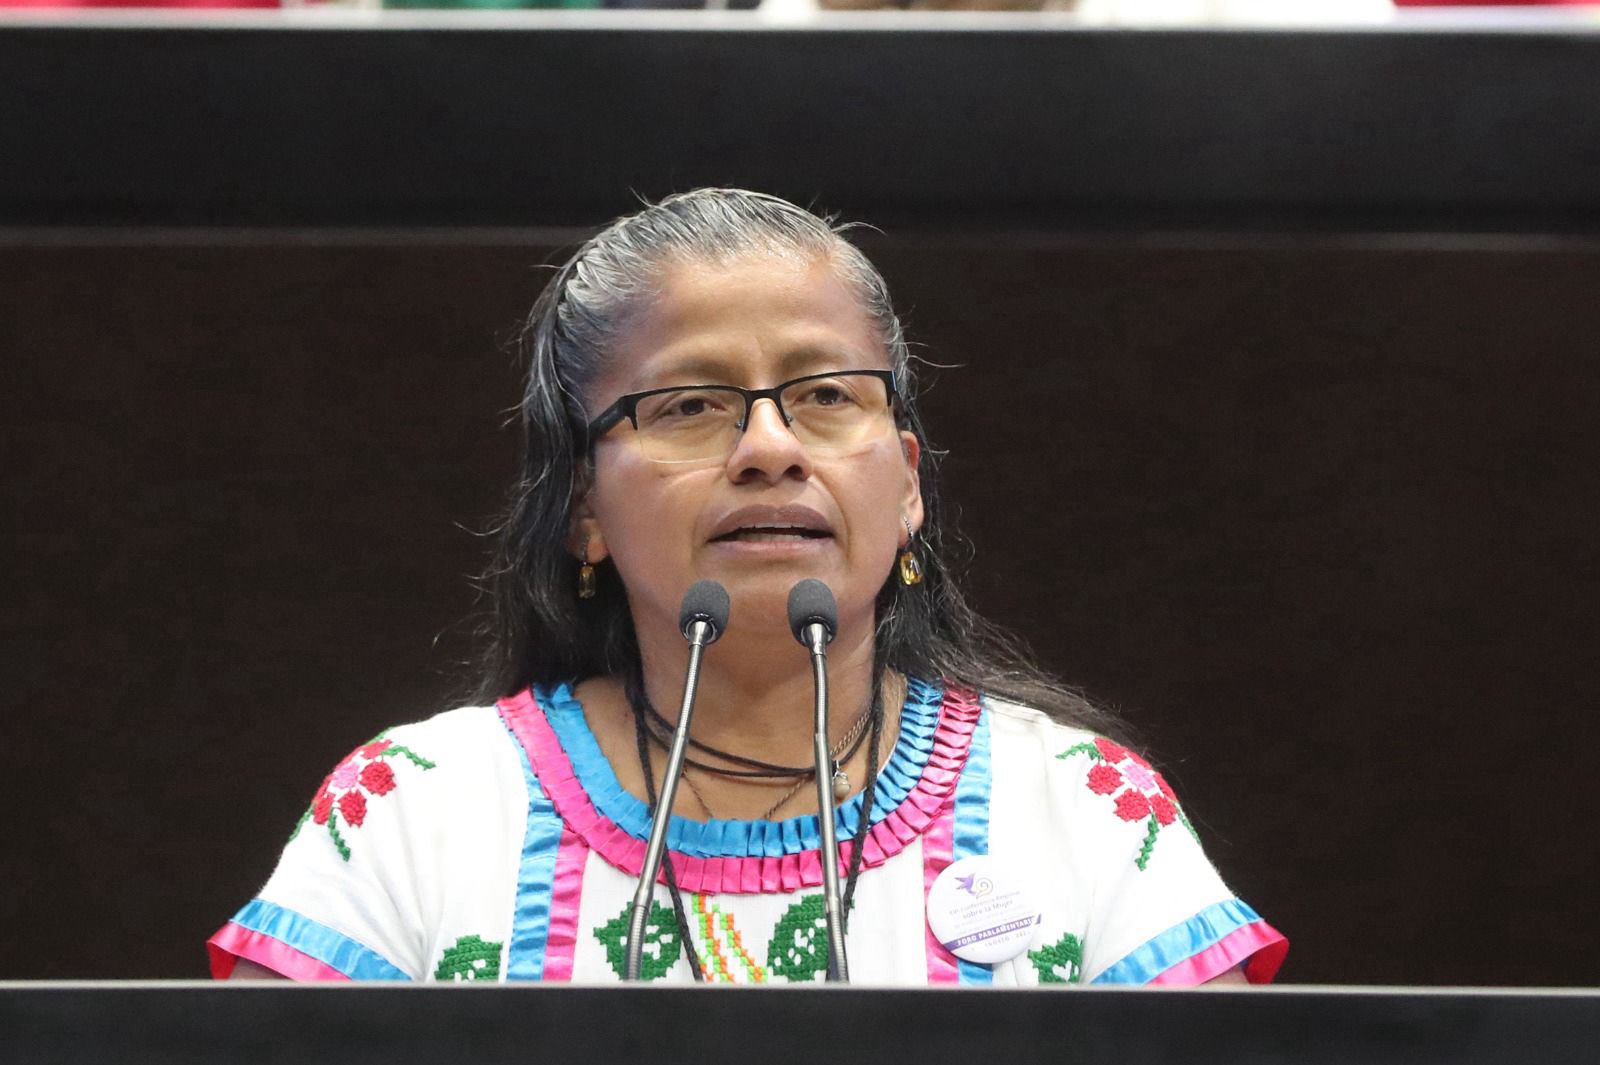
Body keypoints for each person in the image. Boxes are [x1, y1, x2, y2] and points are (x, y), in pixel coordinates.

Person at [208, 189, 1286, 985]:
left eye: (826, 395)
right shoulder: (412, 815)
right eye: (689, 406)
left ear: (908, 485)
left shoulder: (1084, 811)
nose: (770, 448)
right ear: (583, 506)